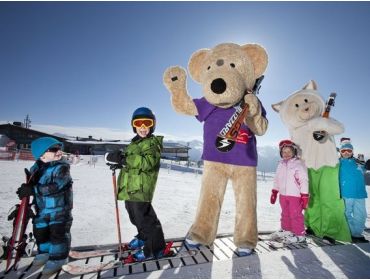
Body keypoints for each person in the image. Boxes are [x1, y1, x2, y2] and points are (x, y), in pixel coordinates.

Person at [105, 107, 167, 261]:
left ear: (153, 125)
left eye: (147, 123)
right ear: (134, 125)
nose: (143, 127)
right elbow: (131, 161)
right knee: (135, 217)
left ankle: (155, 249)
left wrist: (125, 160)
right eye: (139, 123)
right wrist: (121, 162)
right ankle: (143, 237)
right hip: (130, 188)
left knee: (146, 220)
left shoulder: (153, 144)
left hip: (141, 189)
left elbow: (146, 163)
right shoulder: (135, 143)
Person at [16, 137, 73, 275]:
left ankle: (59, 258)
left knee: (58, 234)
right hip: (41, 209)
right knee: (40, 232)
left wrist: (33, 190)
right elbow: (32, 184)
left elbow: (56, 186)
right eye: (54, 149)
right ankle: (45, 253)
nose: (58, 151)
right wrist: (27, 188)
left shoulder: (62, 167)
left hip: (60, 210)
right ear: (41, 154)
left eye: (59, 148)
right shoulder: (35, 168)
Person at [270, 140, 309, 244]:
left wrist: (304, 195)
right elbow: (277, 179)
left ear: (294, 152)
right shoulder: (280, 164)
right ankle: (287, 230)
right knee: (285, 214)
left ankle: (300, 235)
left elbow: (303, 180)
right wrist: (274, 191)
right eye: (284, 152)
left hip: (295, 196)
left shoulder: (299, 164)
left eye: (289, 152)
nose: (286, 154)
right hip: (283, 195)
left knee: (296, 215)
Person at [338, 138, 369, 243]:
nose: (346, 153)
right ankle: (350, 232)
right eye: (343, 151)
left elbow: (363, 170)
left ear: (352, 152)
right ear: (340, 152)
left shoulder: (358, 163)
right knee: (347, 213)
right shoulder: (338, 163)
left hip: (360, 192)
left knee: (361, 214)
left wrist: (366, 165)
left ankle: (357, 233)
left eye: (349, 151)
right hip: (346, 192)